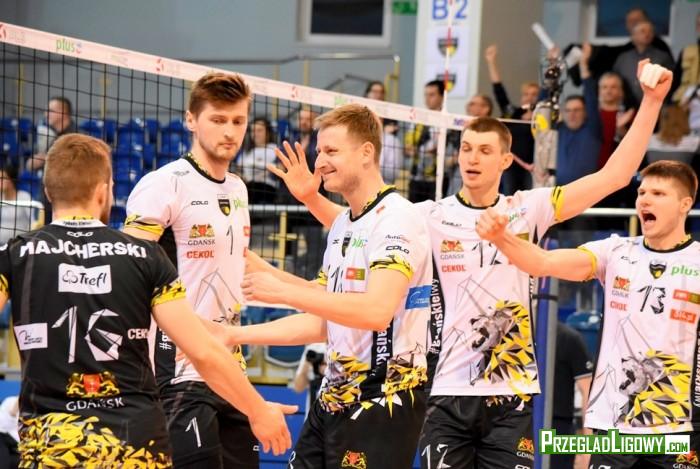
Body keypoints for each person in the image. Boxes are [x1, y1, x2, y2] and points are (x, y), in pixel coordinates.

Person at [270, 59, 672, 469]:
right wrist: (310, 198)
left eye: (484, 150)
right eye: (465, 148)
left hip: (511, 391)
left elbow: (615, 176)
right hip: (444, 391)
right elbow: (360, 227)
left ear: (506, 160)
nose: (472, 158)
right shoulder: (428, 215)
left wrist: (651, 101)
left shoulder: (527, 209)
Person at [7, 133, 294, 467]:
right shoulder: (145, 256)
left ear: (47, 191)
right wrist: (257, 409)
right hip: (136, 444)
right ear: (104, 190)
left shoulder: (15, 254)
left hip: (54, 446)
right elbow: (202, 350)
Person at [238, 103, 433, 468]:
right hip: (335, 394)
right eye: (319, 152)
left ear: (366, 153)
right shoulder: (345, 223)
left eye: (331, 151)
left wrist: (283, 291)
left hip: (384, 398)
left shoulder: (397, 218)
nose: (320, 162)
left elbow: (376, 312)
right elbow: (324, 312)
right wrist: (261, 278)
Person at [476, 159, 700, 468]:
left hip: (679, 429)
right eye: (642, 192)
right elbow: (542, 262)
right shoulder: (616, 251)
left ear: (685, 204)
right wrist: (501, 238)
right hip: (614, 428)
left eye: (658, 194)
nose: (645, 200)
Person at [123, 72, 273, 468]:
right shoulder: (165, 184)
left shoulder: (238, 188)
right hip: (177, 372)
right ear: (191, 119)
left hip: (230, 371)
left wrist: (309, 292)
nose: (230, 131)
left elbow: (240, 256)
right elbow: (128, 267)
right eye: (218, 119)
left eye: (238, 121)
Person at [484, 44, 538, 195]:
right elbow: (499, 91)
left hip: (533, 168)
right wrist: (491, 61)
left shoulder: (544, 118)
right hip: (510, 167)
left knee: (530, 199)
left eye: (534, 94)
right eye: (526, 94)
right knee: (509, 199)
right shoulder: (512, 113)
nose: (530, 97)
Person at [552, 322, 593, 469]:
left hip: (559, 426)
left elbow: (587, 390)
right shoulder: (518, 336)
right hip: (521, 422)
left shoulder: (568, 338)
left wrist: (588, 447)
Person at [613, 20, 674, 109]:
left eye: (650, 31)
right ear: (633, 35)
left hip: (654, 107)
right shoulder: (623, 58)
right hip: (627, 108)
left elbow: (670, 82)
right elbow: (615, 81)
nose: (647, 34)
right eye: (643, 31)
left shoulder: (663, 57)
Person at [238, 117, 279, 204]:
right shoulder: (246, 152)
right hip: (247, 188)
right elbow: (239, 170)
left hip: (267, 189)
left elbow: (279, 168)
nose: (255, 134)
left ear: (268, 132)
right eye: (253, 131)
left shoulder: (275, 149)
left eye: (259, 130)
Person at [292, 342, 327, 417]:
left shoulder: (345, 348)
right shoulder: (313, 348)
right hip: (312, 417)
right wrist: (308, 363)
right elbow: (298, 388)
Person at [0, 164, 32, 245]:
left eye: (2, 179)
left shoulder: (24, 197)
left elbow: (33, 222)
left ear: (12, 180)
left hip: (19, 244)